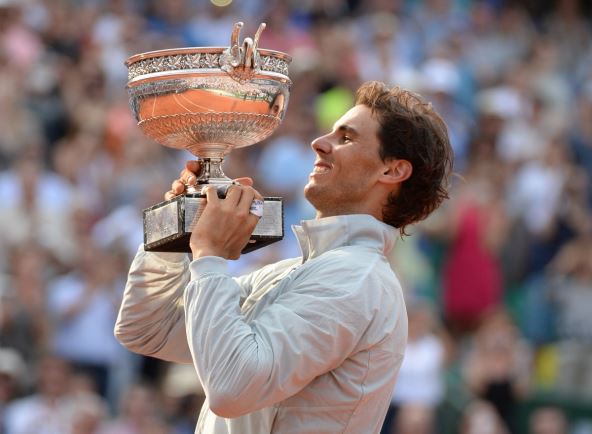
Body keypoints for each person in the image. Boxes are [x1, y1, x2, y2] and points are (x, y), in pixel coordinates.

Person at [114, 81, 453, 434]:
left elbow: (232, 388)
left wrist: (209, 254)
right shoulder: (301, 272)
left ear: (392, 171)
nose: (319, 143)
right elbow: (147, 329)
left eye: (346, 138)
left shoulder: (355, 278)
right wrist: (176, 232)